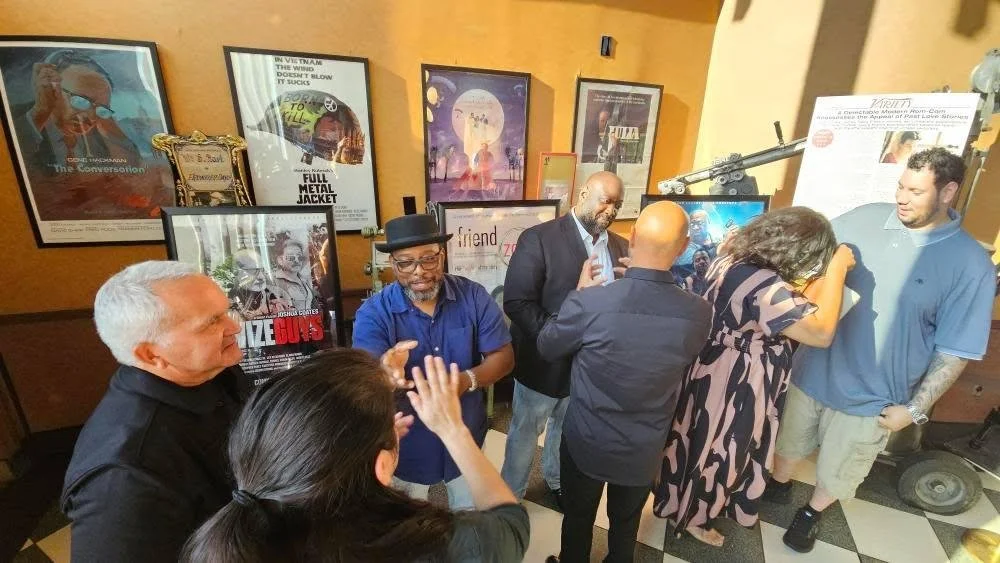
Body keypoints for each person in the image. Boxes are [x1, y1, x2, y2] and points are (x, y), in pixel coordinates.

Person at [768, 148, 996, 553]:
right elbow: (806, 254)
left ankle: (811, 514)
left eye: (915, 191)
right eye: (900, 186)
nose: (901, 197)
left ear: (948, 192)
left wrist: (915, 408)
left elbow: (954, 351)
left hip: (873, 396)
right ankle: (778, 485)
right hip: (812, 370)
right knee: (787, 446)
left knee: (839, 471)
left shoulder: (970, 264)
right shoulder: (864, 217)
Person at [182, 350, 530, 563]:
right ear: (382, 467)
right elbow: (510, 524)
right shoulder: (444, 546)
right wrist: (453, 430)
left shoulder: (240, 542)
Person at [654, 206, 857, 547]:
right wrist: (836, 269)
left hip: (709, 365)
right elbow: (821, 334)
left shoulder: (730, 259)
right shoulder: (763, 283)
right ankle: (695, 518)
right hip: (737, 380)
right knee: (722, 447)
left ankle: (680, 503)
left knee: (695, 437)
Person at [538, 202, 712, 563]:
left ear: (631, 238)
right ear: (683, 248)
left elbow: (548, 346)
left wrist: (579, 293)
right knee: (625, 526)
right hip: (643, 447)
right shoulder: (699, 311)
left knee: (578, 519)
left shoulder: (592, 302)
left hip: (586, 440)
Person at [61, 261, 247, 562]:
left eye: (225, 312)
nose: (234, 326)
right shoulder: (125, 475)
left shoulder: (212, 373)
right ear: (150, 354)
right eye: (212, 321)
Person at [352, 213, 514, 511]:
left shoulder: (474, 297)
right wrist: (386, 373)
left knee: (470, 520)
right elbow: (364, 380)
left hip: (465, 438)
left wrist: (466, 381)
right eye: (406, 263)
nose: (419, 271)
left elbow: (504, 357)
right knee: (406, 531)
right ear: (393, 264)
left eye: (429, 259)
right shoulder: (373, 313)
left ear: (443, 255)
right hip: (405, 447)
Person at [501, 170, 629, 506]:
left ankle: (556, 480)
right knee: (525, 433)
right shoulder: (539, 238)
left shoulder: (621, 247)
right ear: (584, 193)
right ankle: (510, 496)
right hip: (542, 362)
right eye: (606, 200)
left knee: (566, 431)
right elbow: (516, 301)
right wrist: (556, 336)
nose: (611, 210)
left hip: (589, 368)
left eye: (618, 204)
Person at [14, 49, 140, 166]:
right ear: (51, 90)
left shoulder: (100, 138)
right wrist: (40, 113)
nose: (91, 117)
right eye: (81, 101)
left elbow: (134, 169)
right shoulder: (17, 121)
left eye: (101, 109)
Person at [228, 248, 292, 320]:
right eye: (254, 270)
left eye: (262, 270)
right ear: (236, 273)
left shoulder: (279, 294)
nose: (261, 277)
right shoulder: (226, 301)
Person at [272, 238, 316, 311]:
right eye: (290, 257)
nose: (296, 260)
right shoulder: (274, 281)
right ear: (280, 260)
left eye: (299, 256)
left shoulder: (304, 280)